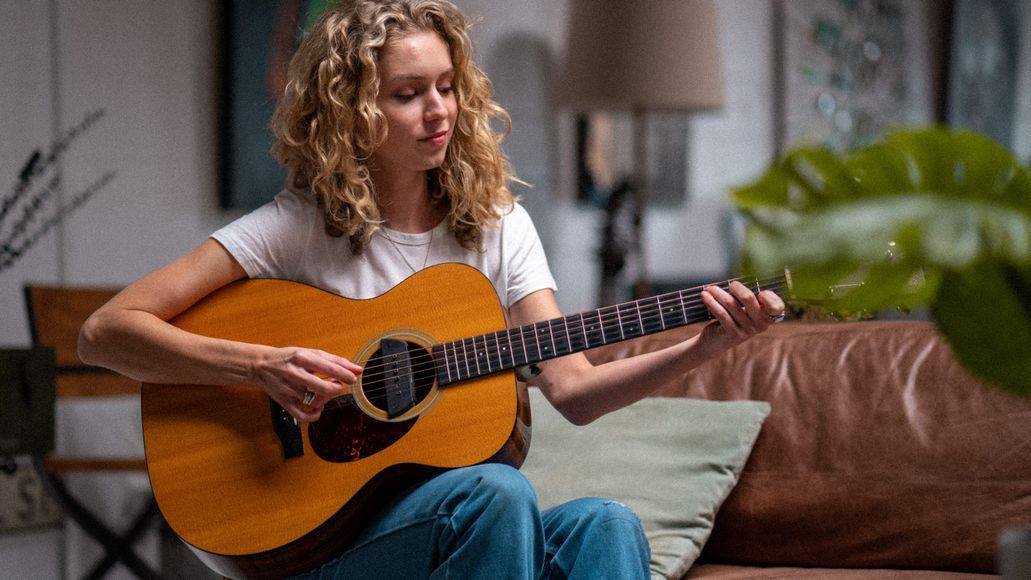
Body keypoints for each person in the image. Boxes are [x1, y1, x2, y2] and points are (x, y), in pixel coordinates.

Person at [78, 1, 785, 578]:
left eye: (446, 87)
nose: (439, 111)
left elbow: (571, 389)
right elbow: (105, 331)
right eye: (408, 94)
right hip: (319, 538)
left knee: (606, 524)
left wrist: (702, 345)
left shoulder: (497, 225)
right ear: (352, 109)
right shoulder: (294, 229)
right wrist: (261, 366)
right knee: (497, 493)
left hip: (463, 528)